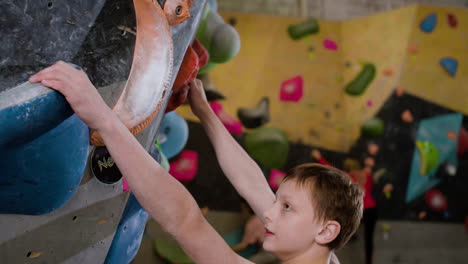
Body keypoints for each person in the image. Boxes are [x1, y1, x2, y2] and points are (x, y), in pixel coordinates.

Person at [29, 61, 363, 264]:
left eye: (286, 207)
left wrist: (102, 117)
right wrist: (204, 112)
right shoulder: (318, 251)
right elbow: (252, 183)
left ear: (326, 230)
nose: (269, 213)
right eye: (279, 202)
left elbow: (186, 221)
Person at [311, 150, 377, 264]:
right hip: (372, 209)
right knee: (369, 239)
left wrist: (319, 157)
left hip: (360, 210)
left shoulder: (348, 176)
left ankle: (350, 237)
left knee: (345, 222)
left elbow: (330, 168)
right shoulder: (367, 175)